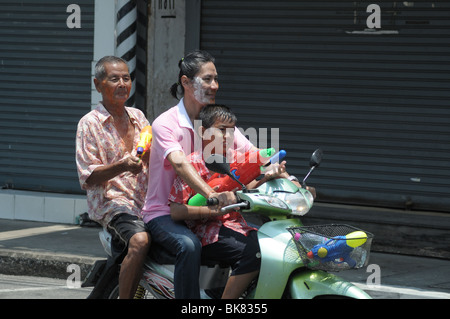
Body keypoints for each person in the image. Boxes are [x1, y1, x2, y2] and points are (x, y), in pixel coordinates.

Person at [141, 50, 255, 298]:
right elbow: (180, 164)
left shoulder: (216, 123)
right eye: (207, 79)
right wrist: (212, 194)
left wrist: (286, 178)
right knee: (188, 245)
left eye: (216, 79)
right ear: (185, 82)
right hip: (164, 212)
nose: (214, 86)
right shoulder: (166, 123)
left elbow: (254, 156)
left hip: (207, 211)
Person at [169, 104, 291, 298]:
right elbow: (176, 210)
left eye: (231, 131)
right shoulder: (191, 164)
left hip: (235, 225)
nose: (227, 136)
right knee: (254, 253)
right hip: (206, 232)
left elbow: (245, 189)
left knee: (275, 249)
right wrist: (210, 211)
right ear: (203, 132)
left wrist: (269, 176)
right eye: (221, 130)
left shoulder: (236, 160)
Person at [76, 56, 151, 299]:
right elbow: (88, 175)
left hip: (147, 200)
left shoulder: (139, 117)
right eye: (114, 79)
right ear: (98, 85)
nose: (122, 84)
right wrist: (122, 166)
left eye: (126, 78)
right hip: (113, 204)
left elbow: (153, 158)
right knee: (139, 241)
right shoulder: (89, 124)